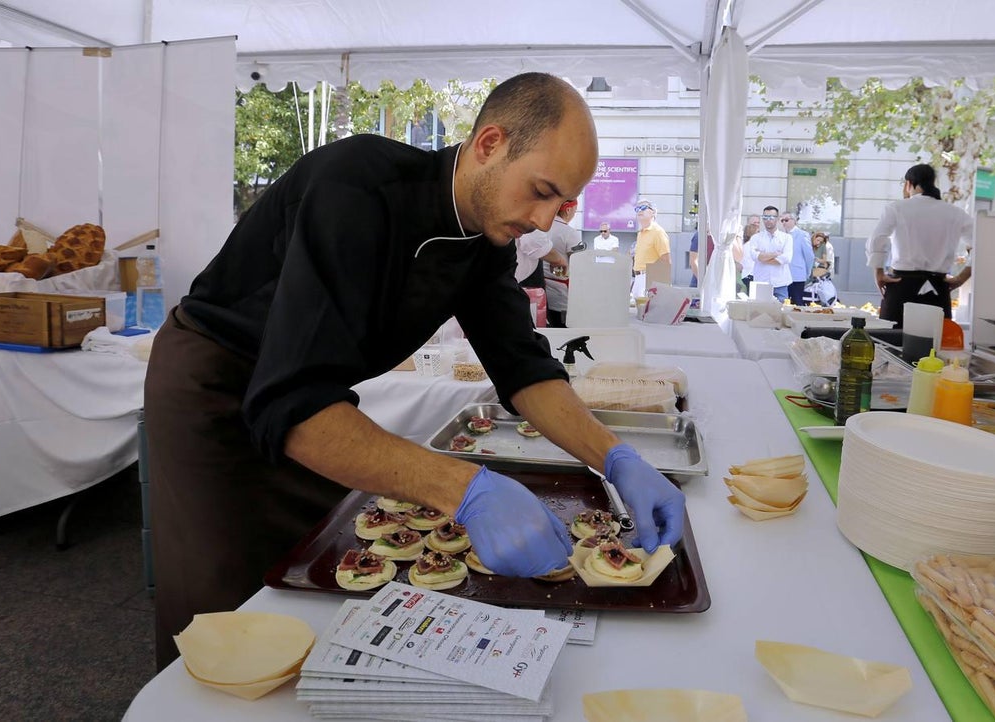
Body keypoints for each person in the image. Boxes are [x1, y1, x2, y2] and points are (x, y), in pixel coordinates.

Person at [143, 72, 685, 670]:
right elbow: (292, 404)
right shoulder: (356, 187)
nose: (543, 220)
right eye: (540, 191)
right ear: (489, 144)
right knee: (224, 599)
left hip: (307, 402)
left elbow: (522, 366)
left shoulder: (484, 239)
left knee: (322, 567)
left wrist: (616, 457)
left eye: (561, 205)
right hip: (213, 385)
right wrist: (465, 489)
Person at [865, 163, 974, 326]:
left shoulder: (896, 208)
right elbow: (982, 245)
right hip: (938, 288)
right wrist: (961, 278)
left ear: (908, 183)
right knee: (933, 345)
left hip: (901, 286)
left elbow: (877, 239)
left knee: (892, 343)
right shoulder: (955, 213)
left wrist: (878, 272)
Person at [542, 198, 583, 327]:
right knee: (563, 330)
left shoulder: (542, 228)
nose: (574, 214)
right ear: (568, 209)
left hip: (542, 289)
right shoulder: (570, 233)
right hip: (562, 294)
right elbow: (579, 264)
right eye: (575, 211)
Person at [744, 205, 793, 301]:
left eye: (771, 217)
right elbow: (755, 256)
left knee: (781, 313)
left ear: (778, 219)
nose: (768, 220)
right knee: (759, 313)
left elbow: (786, 258)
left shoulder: (787, 238)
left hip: (780, 283)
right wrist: (776, 254)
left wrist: (763, 257)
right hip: (761, 282)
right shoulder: (756, 238)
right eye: (765, 217)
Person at [631, 198, 670, 297]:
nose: (639, 210)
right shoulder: (641, 233)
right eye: (637, 208)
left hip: (651, 278)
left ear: (653, 213)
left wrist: (664, 285)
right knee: (639, 311)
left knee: (649, 310)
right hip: (638, 277)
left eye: (643, 207)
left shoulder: (658, 232)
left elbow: (666, 259)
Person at [780, 212, 813, 305]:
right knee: (784, 303)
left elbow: (809, 256)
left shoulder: (802, 235)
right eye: (782, 220)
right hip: (783, 276)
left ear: (794, 221)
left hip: (797, 275)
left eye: (786, 220)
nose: (784, 223)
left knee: (797, 302)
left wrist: (807, 271)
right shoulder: (781, 236)